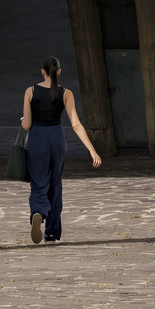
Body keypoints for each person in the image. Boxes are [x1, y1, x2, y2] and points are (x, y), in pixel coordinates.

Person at [19, 56, 102, 244]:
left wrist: (22, 120)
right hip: (56, 138)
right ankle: (51, 231)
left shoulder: (30, 91)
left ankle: (38, 211)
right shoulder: (66, 93)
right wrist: (92, 150)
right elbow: (76, 124)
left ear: (42, 71)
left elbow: (26, 125)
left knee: (38, 181)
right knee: (55, 183)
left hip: (37, 139)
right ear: (59, 72)